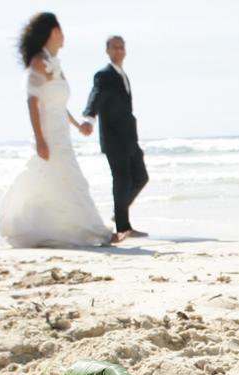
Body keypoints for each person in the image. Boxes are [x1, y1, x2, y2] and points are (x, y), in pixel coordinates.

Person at [0, 12, 113, 248]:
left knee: (54, 182)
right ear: (54, 32)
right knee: (73, 180)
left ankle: (40, 225)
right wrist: (40, 139)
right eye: (61, 31)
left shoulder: (56, 65)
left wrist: (77, 124)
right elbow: (32, 101)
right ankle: (98, 232)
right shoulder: (39, 63)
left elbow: (58, 104)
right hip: (49, 135)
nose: (64, 37)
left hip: (62, 132)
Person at [83, 35, 149, 242]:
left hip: (130, 138)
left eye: (122, 47)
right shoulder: (104, 75)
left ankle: (120, 215)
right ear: (108, 51)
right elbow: (96, 95)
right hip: (114, 138)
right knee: (122, 180)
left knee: (141, 177)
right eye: (115, 47)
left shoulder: (123, 75)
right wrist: (89, 118)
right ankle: (123, 226)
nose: (119, 50)